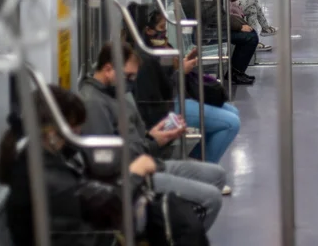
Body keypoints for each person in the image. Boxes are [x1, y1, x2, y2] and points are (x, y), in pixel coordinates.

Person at [0, 84, 192, 246]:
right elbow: (110, 205)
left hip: (89, 235)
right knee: (178, 224)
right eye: (73, 130)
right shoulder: (47, 178)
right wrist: (135, 172)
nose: (78, 135)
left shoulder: (41, 160)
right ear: (52, 133)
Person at [79, 42, 226, 229]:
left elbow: (138, 140)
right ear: (108, 69)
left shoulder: (117, 93)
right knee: (211, 199)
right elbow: (104, 161)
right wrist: (150, 143)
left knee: (217, 175)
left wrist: (156, 137)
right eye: (128, 76)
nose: (131, 82)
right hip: (134, 177)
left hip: (149, 161)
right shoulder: (94, 103)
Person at [131, 9, 241, 171]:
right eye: (162, 28)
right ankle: (205, 171)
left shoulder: (161, 47)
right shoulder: (144, 56)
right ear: (148, 30)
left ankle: (196, 161)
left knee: (233, 112)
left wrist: (183, 65)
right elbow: (156, 92)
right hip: (165, 108)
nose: (165, 32)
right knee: (231, 123)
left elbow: (168, 74)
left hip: (177, 97)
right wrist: (181, 72)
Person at [180, 0, 258, 85]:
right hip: (205, 33)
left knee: (248, 32)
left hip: (208, 27)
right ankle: (235, 74)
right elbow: (213, 16)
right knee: (250, 37)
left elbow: (218, 9)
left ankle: (235, 72)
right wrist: (238, 26)